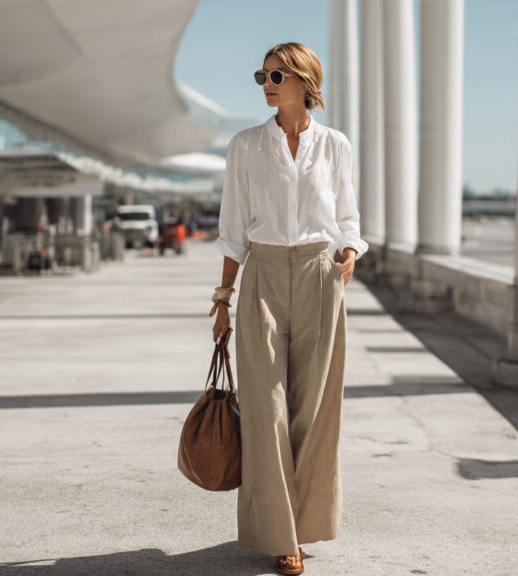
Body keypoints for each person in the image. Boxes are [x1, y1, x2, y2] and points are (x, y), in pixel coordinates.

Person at [209, 42, 368, 575]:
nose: (266, 83)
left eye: (276, 74)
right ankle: (281, 536)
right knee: (266, 410)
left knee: (314, 410)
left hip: (322, 276)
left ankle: (303, 524)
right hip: (263, 276)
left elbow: (347, 215)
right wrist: (223, 300)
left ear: (305, 81)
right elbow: (233, 231)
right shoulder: (246, 146)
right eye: (262, 75)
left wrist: (349, 251)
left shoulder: (335, 145)